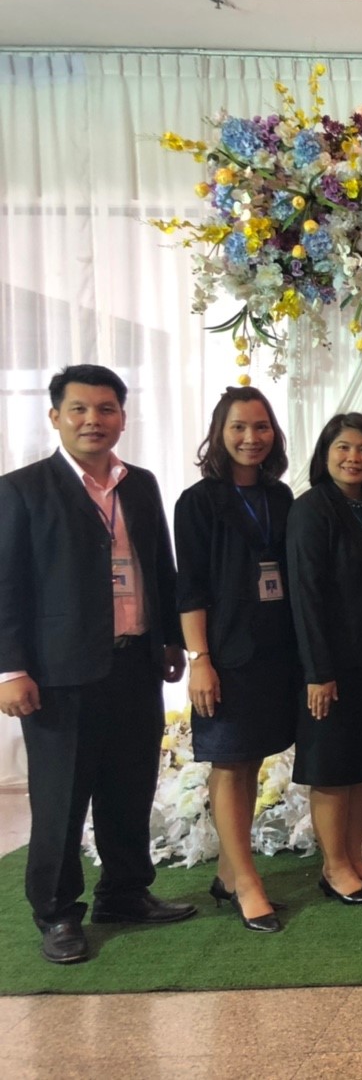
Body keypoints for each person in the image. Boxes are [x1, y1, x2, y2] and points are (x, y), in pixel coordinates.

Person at [0, 365, 194, 965]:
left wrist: (170, 640)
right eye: (79, 409)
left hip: (135, 663)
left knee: (129, 787)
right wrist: (10, 670)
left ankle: (125, 893)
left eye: (106, 409)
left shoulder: (141, 485)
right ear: (55, 416)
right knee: (61, 801)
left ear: (122, 418)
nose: (93, 420)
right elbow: (6, 585)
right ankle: (57, 913)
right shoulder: (22, 489)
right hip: (59, 675)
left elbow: (159, 566)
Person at [175, 387, 296, 933]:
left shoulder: (281, 496)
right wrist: (199, 658)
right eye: (239, 427)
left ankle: (229, 872)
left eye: (261, 426)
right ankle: (247, 883)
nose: (251, 437)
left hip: (274, 650)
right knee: (228, 761)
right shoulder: (198, 502)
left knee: (249, 762)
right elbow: (190, 588)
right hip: (224, 653)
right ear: (219, 434)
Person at [286, 413, 362, 906]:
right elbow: (306, 595)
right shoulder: (311, 509)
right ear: (325, 454)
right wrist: (318, 672)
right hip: (331, 664)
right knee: (332, 766)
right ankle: (334, 867)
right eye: (344, 448)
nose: (354, 458)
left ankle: (353, 856)